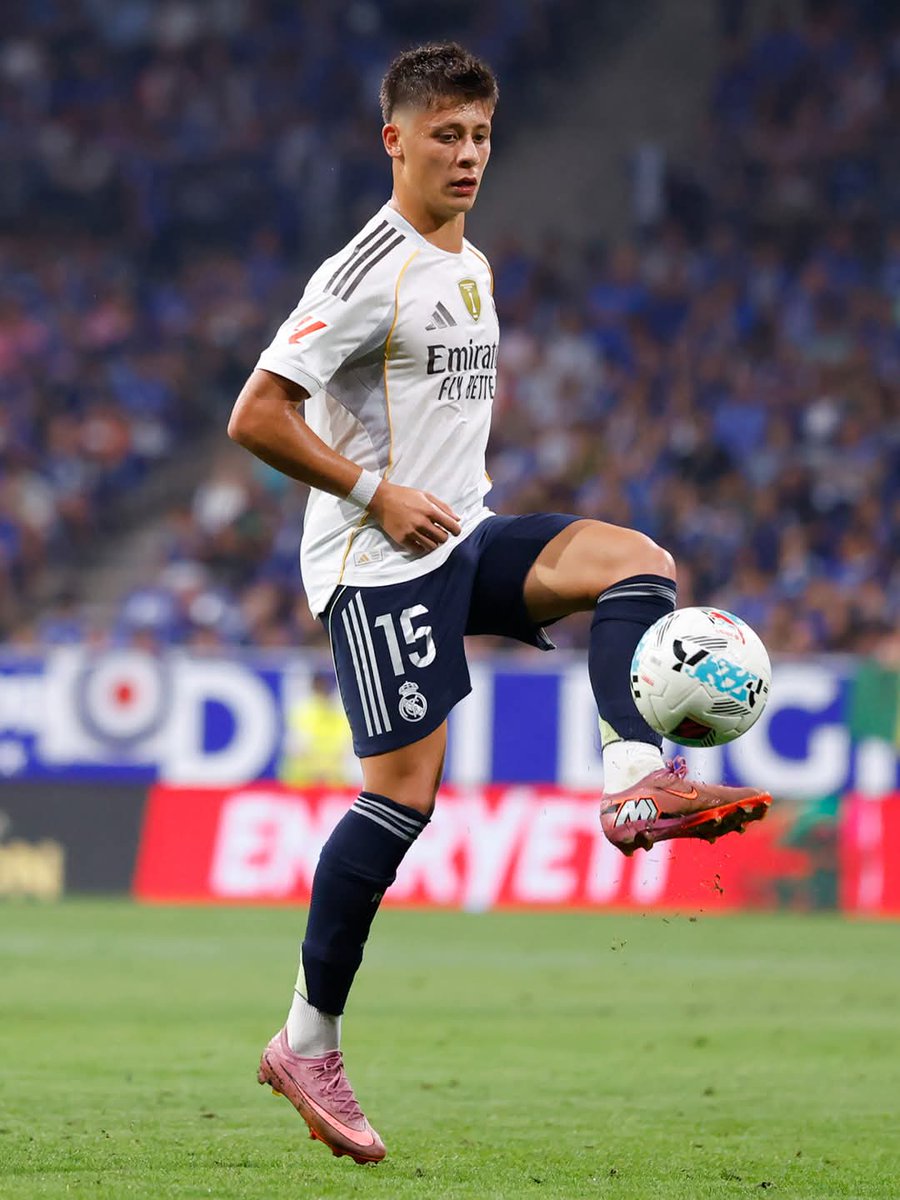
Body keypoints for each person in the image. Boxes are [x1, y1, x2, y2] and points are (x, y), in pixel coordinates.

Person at [228, 42, 771, 1165]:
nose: (469, 155)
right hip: (373, 564)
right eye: (446, 136)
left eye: (480, 135)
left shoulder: (467, 263)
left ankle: (633, 782)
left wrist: (434, 498)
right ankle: (306, 1039)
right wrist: (378, 492)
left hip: (459, 532)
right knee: (402, 801)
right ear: (396, 140)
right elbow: (257, 416)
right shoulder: (361, 272)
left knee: (636, 559)